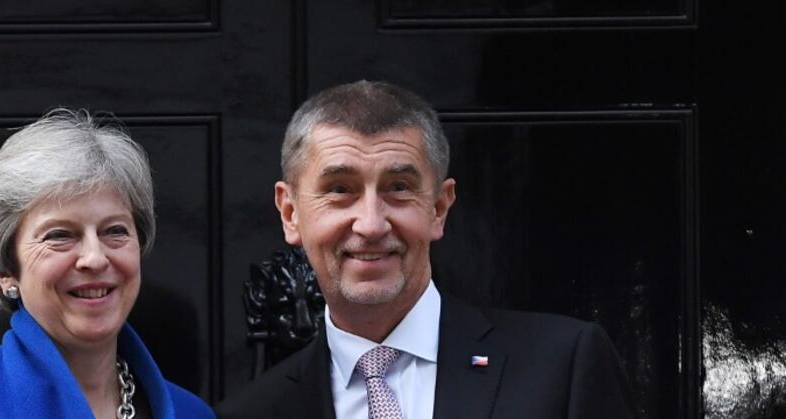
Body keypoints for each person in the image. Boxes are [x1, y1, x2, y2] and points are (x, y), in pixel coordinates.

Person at [215, 81, 638, 418]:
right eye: (340, 191)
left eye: (399, 188)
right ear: (290, 213)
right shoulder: (252, 412)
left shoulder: (562, 367)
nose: (371, 224)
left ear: (438, 208)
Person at [0, 110, 214, 419]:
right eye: (59, 235)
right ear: (6, 271)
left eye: (114, 231)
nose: (95, 258)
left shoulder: (192, 413)